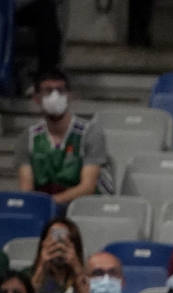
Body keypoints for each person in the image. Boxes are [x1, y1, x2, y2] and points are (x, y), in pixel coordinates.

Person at [17, 70, 111, 206]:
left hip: (83, 208)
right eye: (48, 91)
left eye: (60, 91)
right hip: (44, 210)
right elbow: (26, 189)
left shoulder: (90, 132)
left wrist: (49, 203)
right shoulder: (28, 137)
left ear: (69, 96)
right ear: (37, 98)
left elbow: (87, 187)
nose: (55, 96)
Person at [28, 218, 86, 293]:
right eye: (52, 241)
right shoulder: (28, 275)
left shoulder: (87, 275)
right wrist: (42, 266)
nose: (59, 246)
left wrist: (76, 268)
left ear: (75, 246)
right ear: (43, 243)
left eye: (64, 241)